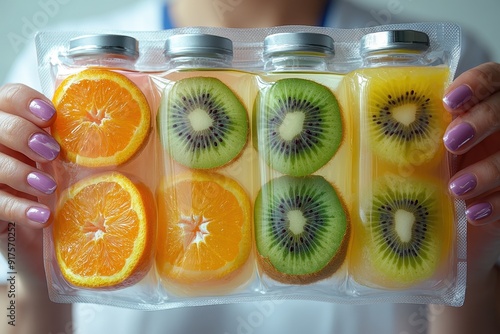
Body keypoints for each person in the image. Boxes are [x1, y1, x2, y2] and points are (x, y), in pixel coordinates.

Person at [0, 0, 499, 333]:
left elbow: (462, 295)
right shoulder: (69, 85)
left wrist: (467, 266)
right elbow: (19, 306)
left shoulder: (438, 72)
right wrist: (29, 274)